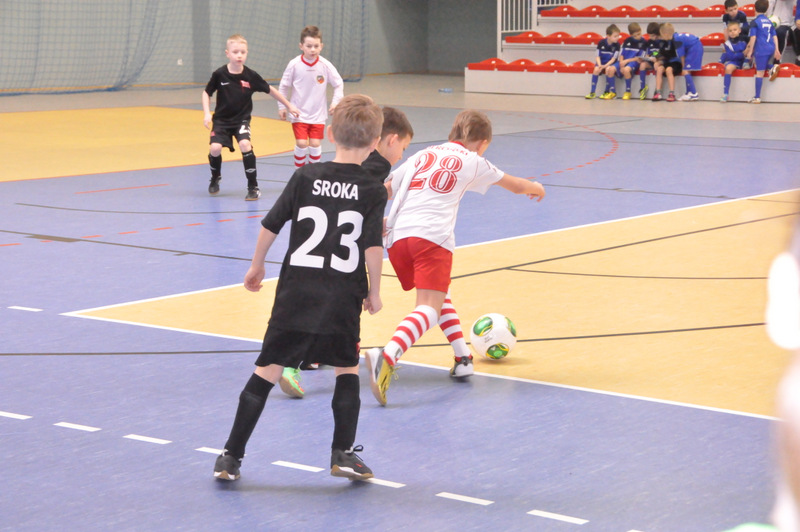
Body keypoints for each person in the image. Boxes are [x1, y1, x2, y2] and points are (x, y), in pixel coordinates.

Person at [212, 94, 387, 482]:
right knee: (346, 368)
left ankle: (230, 456)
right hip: (342, 296)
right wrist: (374, 291)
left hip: (296, 293)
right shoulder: (374, 189)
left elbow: (271, 223)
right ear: (376, 142)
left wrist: (257, 265)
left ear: (330, 133)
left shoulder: (306, 177)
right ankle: (342, 453)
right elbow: (373, 246)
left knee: (267, 370)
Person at [364, 110, 546, 406]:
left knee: (439, 294)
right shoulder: (474, 161)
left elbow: (385, 190)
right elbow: (515, 185)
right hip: (432, 238)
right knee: (428, 308)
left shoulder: (422, 154)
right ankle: (388, 354)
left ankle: (463, 358)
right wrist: (536, 187)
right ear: (482, 143)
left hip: (396, 238)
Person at [279, 106, 415, 399]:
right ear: (389, 140)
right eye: (403, 148)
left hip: (327, 243)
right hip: (337, 252)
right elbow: (356, 200)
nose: (401, 155)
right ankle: (291, 364)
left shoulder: (368, 161)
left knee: (318, 308)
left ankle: (308, 357)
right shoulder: (377, 164)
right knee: (331, 309)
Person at [203, 34, 299, 201]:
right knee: (215, 148)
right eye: (235, 52)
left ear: (247, 53)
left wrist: (288, 105)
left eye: (243, 52)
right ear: (227, 53)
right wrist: (206, 113)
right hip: (221, 121)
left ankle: (253, 186)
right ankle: (215, 177)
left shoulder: (250, 76)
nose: (239, 55)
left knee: (245, 144)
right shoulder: (219, 74)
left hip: (241, 120)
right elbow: (206, 93)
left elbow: (270, 90)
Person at [278, 25, 344, 169]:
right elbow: (283, 86)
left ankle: (314, 173)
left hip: (318, 114)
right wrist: (282, 106)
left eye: (316, 46)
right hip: (299, 113)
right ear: (301, 46)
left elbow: (338, 84)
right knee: (302, 143)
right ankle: (299, 172)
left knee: (315, 144)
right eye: (309, 46)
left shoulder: (325, 65)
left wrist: (335, 103)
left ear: (321, 46)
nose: (312, 49)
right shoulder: (294, 64)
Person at [745, 0, 783, 103]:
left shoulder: (755, 22)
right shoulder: (769, 21)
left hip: (761, 49)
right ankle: (772, 67)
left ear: (754, 8)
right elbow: (775, 36)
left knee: (759, 73)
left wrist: (750, 51)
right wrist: (777, 50)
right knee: (759, 65)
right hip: (770, 48)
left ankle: (757, 97)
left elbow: (753, 37)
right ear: (766, 9)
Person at [657, 23, 704, 102]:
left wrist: (683, 67)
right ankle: (689, 92)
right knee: (687, 71)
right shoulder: (676, 37)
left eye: (662, 35)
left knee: (685, 70)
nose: (662, 38)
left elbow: (682, 56)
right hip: (695, 47)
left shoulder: (676, 40)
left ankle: (693, 93)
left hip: (695, 48)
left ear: (665, 34)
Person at [585, 24, 621, 99]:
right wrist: (599, 65)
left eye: (618, 36)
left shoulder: (617, 45)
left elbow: (613, 59)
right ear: (608, 36)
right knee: (596, 69)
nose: (617, 38)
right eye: (615, 36)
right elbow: (597, 56)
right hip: (601, 62)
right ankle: (592, 92)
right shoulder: (601, 43)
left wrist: (605, 66)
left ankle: (606, 91)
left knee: (608, 69)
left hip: (610, 63)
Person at [720, 21, 751, 101]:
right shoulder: (727, 44)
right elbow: (730, 56)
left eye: (734, 30)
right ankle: (726, 93)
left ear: (739, 30)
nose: (732, 32)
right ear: (728, 32)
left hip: (746, 61)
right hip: (735, 62)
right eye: (730, 31)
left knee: (752, 50)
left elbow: (749, 50)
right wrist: (742, 53)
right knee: (728, 68)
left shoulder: (745, 40)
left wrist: (745, 52)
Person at [617, 23, 648, 100]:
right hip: (624, 62)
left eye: (639, 34)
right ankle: (610, 91)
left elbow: (640, 58)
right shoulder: (627, 40)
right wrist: (621, 64)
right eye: (635, 36)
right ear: (630, 35)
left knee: (626, 70)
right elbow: (621, 54)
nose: (638, 37)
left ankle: (628, 92)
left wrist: (626, 61)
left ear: (641, 31)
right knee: (610, 69)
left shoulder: (644, 42)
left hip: (634, 62)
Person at [636, 22, 666, 100]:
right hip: (651, 62)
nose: (650, 37)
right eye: (649, 35)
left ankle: (657, 90)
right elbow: (647, 53)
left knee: (656, 65)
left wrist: (655, 57)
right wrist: (645, 57)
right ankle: (642, 88)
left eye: (652, 35)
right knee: (642, 65)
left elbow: (662, 53)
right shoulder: (648, 42)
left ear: (657, 34)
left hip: (660, 62)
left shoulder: (662, 42)